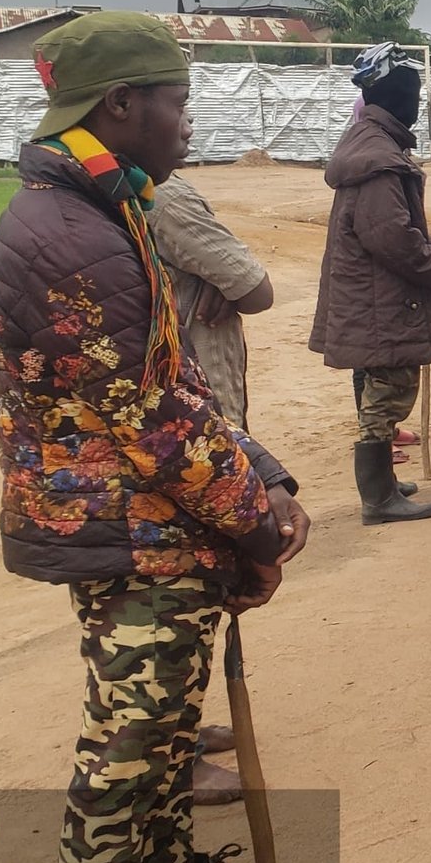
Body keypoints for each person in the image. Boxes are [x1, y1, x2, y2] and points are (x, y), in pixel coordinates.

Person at [0, 11, 323, 863]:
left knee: (165, 741)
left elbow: (172, 379)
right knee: (125, 775)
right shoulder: (67, 235)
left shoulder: (102, 205)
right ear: (119, 107)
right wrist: (258, 522)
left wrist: (260, 469)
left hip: (147, 525)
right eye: (174, 99)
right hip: (131, 537)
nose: (188, 118)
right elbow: (151, 425)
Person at [148, 170, 277, 809]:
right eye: (176, 103)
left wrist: (207, 281)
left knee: (200, 584)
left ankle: (185, 730)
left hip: (194, 414)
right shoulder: (163, 196)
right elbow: (255, 287)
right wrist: (219, 281)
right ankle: (170, 754)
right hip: (191, 422)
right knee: (186, 583)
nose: (189, 122)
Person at [310, 44, 431, 523]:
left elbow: (396, 231)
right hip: (382, 305)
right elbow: (394, 241)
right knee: (386, 396)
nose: (417, 102)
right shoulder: (379, 159)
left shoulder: (370, 149)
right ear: (394, 97)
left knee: (376, 388)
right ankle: (379, 498)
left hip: (372, 300)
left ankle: (382, 482)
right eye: (413, 92)